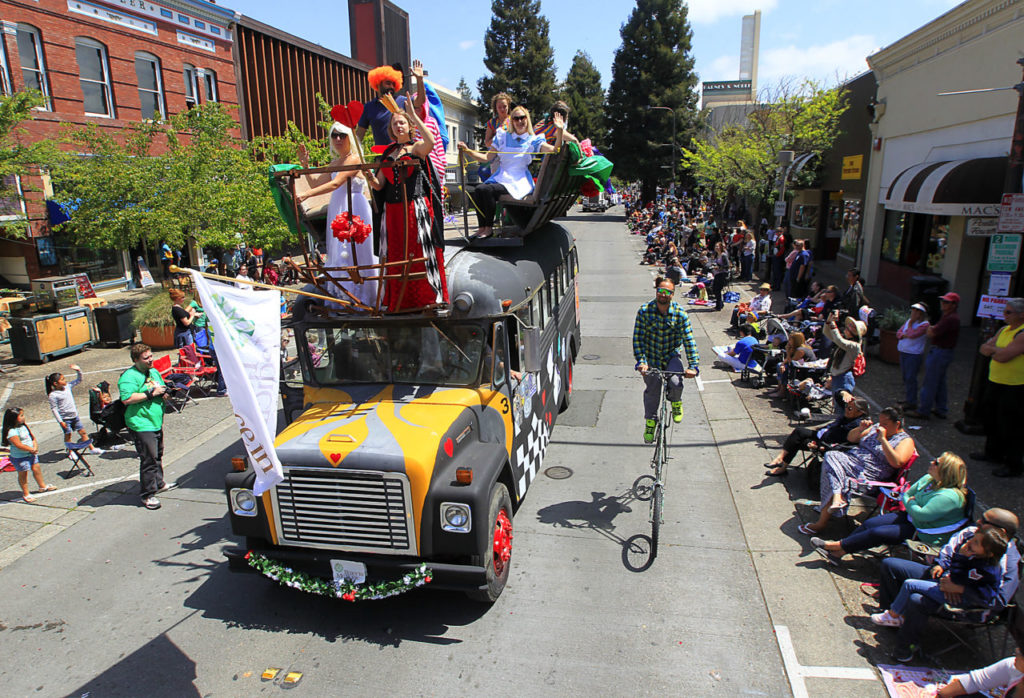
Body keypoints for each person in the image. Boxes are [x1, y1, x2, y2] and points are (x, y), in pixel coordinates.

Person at [873, 525, 1007, 663]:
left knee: (914, 593)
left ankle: (901, 641)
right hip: (944, 580)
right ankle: (892, 616)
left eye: (976, 542)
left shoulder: (992, 566)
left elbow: (994, 598)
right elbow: (949, 556)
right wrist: (942, 565)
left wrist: (960, 588)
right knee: (890, 565)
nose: (972, 541)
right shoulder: (973, 547)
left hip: (965, 602)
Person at [364, 100, 447, 311]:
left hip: (415, 207)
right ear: (391, 129)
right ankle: (400, 301)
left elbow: (429, 141)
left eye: (402, 123)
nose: (398, 126)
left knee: (419, 251)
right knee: (397, 255)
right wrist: (368, 177)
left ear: (409, 126)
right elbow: (380, 184)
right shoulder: (388, 152)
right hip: (392, 212)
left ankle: (427, 299)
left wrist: (414, 115)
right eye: (395, 124)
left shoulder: (416, 147)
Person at [810, 451, 968, 561]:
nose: (931, 462)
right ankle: (839, 553)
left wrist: (912, 502)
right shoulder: (929, 479)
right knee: (870, 524)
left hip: (923, 531)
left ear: (946, 471)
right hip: (911, 518)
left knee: (878, 533)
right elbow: (906, 494)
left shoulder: (950, 497)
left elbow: (921, 514)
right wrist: (912, 502)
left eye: (936, 463)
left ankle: (836, 546)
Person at [296, 122, 378, 308]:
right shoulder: (335, 163)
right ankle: (343, 298)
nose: (338, 139)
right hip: (338, 208)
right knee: (340, 252)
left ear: (350, 137)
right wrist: (305, 164)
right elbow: (315, 182)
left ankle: (362, 297)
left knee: (355, 252)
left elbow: (336, 184)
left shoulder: (355, 158)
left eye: (342, 135)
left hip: (354, 209)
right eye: (334, 135)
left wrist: (306, 195)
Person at [798, 406, 915, 534]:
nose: (880, 426)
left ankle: (823, 520)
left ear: (897, 424)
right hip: (852, 461)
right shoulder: (877, 427)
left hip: (871, 473)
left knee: (832, 463)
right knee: (831, 460)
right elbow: (851, 438)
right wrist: (860, 429)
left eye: (885, 424)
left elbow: (897, 462)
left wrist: (883, 440)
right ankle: (836, 499)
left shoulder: (905, 440)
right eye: (880, 422)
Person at [458, 105, 564, 239]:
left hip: (519, 180)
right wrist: (467, 150)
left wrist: (559, 131)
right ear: (512, 121)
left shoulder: (533, 139)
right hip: (502, 177)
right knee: (479, 189)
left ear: (527, 119)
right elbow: (487, 157)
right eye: (516, 118)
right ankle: (482, 228)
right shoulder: (502, 136)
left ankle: (489, 228)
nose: (520, 121)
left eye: (522, 118)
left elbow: (555, 149)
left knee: (486, 190)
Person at [632, 277, 700, 443]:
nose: (663, 294)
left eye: (667, 292)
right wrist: (642, 362)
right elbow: (638, 339)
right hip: (651, 357)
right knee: (652, 390)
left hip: (671, 355)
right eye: (660, 291)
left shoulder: (680, 314)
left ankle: (676, 402)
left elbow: (689, 341)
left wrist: (693, 366)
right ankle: (650, 422)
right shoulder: (644, 310)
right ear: (656, 291)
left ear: (672, 294)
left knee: (676, 382)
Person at [118, 343, 173, 510]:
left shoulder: (153, 372)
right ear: (136, 360)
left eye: (151, 356)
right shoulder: (129, 377)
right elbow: (126, 399)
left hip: (155, 420)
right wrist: (150, 394)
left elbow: (160, 388)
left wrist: (166, 393)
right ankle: (147, 495)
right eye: (146, 358)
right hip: (141, 423)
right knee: (148, 458)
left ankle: (159, 482)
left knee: (158, 454)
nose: (151, 360)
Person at [975, 297, 1024, 477]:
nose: (1004, 315)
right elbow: (983, 348)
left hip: (1014, 387)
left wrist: (995, 351)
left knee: (1011, 425)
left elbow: (1003, 356)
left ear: (1021, 315)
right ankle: (992, 453)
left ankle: (1013, 464)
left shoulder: (1022, 333)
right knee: (991, 419)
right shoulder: (1004, 329)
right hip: (995, 382)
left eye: (1008, 312)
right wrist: (997, 350)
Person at [763, 392, 868, 477]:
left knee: (798, 437)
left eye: (850, 408)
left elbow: (842, 440)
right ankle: (781, 461)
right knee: (799, 432)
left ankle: (782, 465)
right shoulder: (849, 414)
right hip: (822, 435)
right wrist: (844, 393)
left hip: (827, 444)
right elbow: (836, 395)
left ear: (860, 413)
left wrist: (819, 446)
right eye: (846, 406)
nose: (846, 409)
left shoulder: (857, 425)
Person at [911, 291, 960, 420]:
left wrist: (930, 328)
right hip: (943, 352)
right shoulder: (947, 316)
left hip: (940, 352)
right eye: (942, 301)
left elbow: (931, 333)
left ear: (954, 305)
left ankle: (923, 410)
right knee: (940, 382)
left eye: (946, 302)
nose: (942, 304)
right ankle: (941, 409)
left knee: (930, 382)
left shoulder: (950, 319)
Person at [45, 364, 103, 455]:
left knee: (83, 432)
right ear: (56, 383)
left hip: (74, 416)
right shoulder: (53, 395)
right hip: (65, 419)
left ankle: (91, 448)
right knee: (68, 435)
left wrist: (78, 370)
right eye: (62, 379)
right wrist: (61, 421)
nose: (65, 380)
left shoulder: (67, 387)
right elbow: (54, 409)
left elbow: (79, 380)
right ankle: (70, 451)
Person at [2, 407, 55, 503]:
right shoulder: (12, 432)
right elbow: (18, 445)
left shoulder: (24, 426)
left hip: (31, 454)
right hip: (20, 457)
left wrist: (35, 446)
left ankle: (42, 486)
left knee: (36, 469)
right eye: (21, 415)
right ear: (13, 418)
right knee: (23, 474)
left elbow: (32, 438)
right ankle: (26, 493)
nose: (24, 417)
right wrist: (31, 449)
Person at [935, 646, 1024, 696]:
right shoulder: (1013, 666)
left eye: (1021, 653)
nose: (1017, 650)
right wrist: (941, 695)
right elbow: (977, 680)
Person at [823, 312, 866, 413]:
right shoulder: (846, 340)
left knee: (841, 406)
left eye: (852, 327)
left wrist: (833, 325)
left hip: (844, 378)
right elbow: (827, 333)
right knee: (836, 403)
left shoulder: (855, 346)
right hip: (837, 376)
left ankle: (839, 424)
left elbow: (839, 340)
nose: (848, 327)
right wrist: (829, 321)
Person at [896, 303, 930, 412]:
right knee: (906, 377)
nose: (913, 313)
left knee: (911, 378)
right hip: (904, 352)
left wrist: (910, 325)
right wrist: (905, 333)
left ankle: (912, 401)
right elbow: (899, 333)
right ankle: (908, 399)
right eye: (913, 311)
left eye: (917, 311)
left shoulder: (924, 325)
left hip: (914, 355)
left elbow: (912, 334)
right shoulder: (909, 322)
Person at [770, 331, 816, 398]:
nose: (789, 341)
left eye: (790, 340)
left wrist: (788, 351)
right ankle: (779, 387)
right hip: (798, 367)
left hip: (806, 370)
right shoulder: (796, 348)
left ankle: (782, 391)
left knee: (785, 368)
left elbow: (791, 362)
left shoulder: (801, 350)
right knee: (780, 365)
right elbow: (788, 361)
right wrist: (782, 364)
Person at [711, 241, 731, 311]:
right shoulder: (717, 255)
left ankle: (718, 306)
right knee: (715, 289)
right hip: (717, 274)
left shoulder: (723, 255)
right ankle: (720, 303)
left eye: (718, 246)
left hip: (722, 275)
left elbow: (727, 266)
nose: (716, 248)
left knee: (717, 289)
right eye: (715, 246)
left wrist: (719, 268)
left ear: (721, 247)